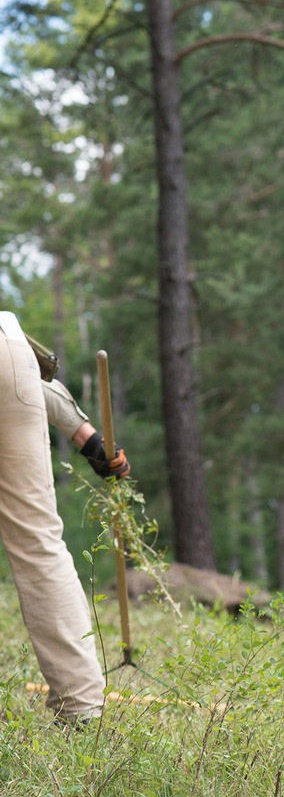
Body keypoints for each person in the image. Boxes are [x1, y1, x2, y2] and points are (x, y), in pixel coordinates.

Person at [0, 311, 130, 725]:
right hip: (9, 348)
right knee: (40, 544)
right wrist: (89, 438)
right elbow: (27, 369)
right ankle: (81, 708)